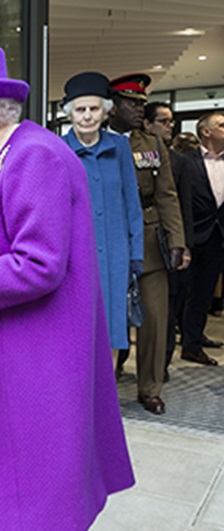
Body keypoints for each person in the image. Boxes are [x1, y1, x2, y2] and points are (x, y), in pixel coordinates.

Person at [0, 42, 135, 530]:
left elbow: (39, 264)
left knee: (39, 501)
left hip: (42, 362)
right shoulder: (4, 159)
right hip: (20, 356)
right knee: (21, 492)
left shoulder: (34, 157)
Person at [108, 73, 186, 414]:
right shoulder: (96, 141)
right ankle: (105, 381)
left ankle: (150, 387)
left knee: (155, 317)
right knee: (110, 315)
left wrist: (178, 242)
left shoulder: (152, 145)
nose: (139, 110)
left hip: (150, 239)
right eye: (131, 103)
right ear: (112, 107)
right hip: (109, 238)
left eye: (142, 104)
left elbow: (167, 195)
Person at [61, 72, 143, 354]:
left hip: (114, 255)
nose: (87, 116)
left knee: (110, 330)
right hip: (75, 254)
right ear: (70, 114)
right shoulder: (58, 149)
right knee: (75, 330)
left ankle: (106, 397)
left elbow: (131, 203)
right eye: (80, 110)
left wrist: (136, 255)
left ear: (105, 111)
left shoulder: (119, 147)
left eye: (94, 109)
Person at [143, 102, 195, 379]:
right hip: (129, 239)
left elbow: (178, 203)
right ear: (147, 124)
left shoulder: (178, 160)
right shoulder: (127, 149)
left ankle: (157, 372)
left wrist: (181, 243)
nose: (170, 126)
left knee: (162, 310)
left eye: (170, 121)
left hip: (161, 243)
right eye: (163, 121)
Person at [177, 112, 224, 367]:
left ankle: (192, 344)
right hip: (191, 237)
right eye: (221, 125)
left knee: (203, 295)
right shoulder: (186, 162)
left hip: (218, 237)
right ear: (206, 132)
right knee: (180, 292)